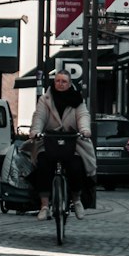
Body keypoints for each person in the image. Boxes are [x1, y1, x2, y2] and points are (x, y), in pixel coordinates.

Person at [29, 69, 95, 221]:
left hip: (72, 140)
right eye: (57, 81)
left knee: (77, 166)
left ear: (70, 83)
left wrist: (85, 130)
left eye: (64, 81)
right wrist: (36, 130)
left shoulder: (77, 99)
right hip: (50, 140)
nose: (60, 84)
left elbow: (83, 115)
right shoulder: (45, 99)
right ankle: (44, 206)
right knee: (43, 164)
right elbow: (39, 116)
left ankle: (77, 200)